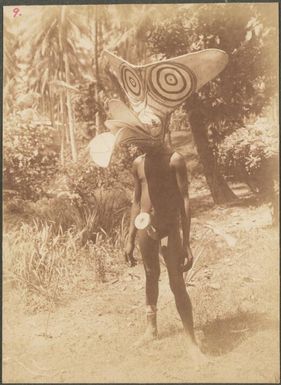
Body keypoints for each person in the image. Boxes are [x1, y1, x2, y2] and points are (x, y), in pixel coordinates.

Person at [124, 142, 197, 347]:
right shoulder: (139, 163)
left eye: (151, 128)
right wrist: (130, 239)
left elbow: (184, 200)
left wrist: (186, 242)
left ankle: (192, 341)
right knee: (150, 274)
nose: (143, 139)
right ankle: (151, 329)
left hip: (169, 228)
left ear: (160, 129)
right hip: (145, 227)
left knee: (176, 281)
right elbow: (137, 203)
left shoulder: (174, 160)